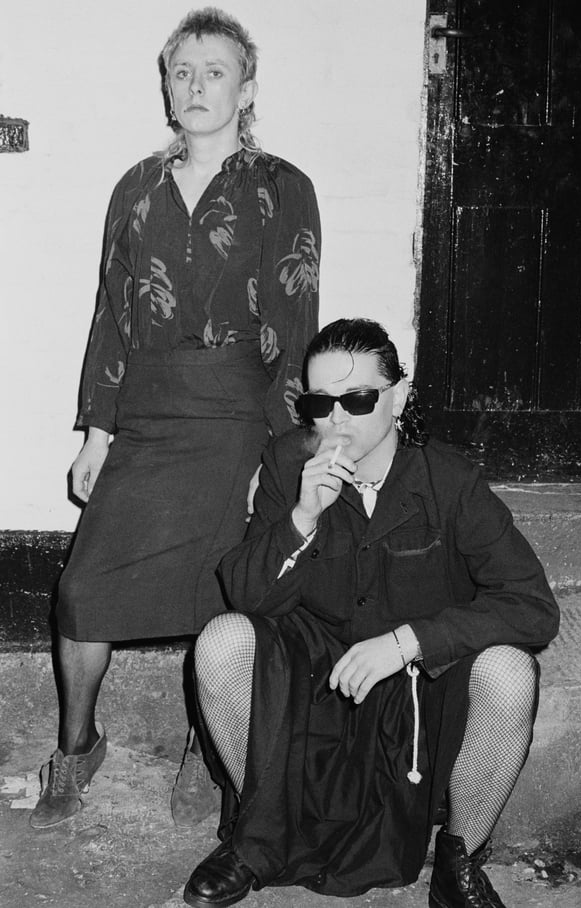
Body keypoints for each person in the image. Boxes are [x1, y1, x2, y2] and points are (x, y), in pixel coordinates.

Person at [30, 7, 320, 830]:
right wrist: (99, 431)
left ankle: (210, 745)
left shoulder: (282, 188)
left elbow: (295, 324)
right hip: (149, 413)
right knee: (82, 590)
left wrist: (280, 450)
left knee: (219, 594)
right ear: (166, 86)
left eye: (215, 71)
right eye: (182, 72)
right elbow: (112, 317)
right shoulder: (135, 187)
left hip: (236, 416)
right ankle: (77, 746)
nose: (196, 86)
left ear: (246, 89)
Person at [183, 318, 559, 908]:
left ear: (397, 397)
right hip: (315, 690)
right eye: (320, 402)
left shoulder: (449, 480)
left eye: (357, 399)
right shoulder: (287, 465)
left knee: (508, 671)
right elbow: (247, 597)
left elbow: (533, 606)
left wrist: (409, 641)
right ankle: (253, 838)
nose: (336, 419)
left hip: (415, 693)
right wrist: (303, 517)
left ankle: (458, 862)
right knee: (222, 639)